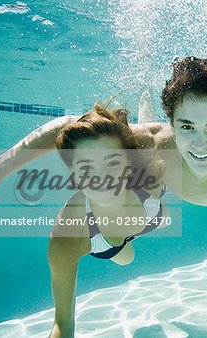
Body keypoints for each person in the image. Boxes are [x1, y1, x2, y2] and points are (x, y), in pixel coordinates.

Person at [0, 57, 207, 206]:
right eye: (186, 126)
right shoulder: (158, 145)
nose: (199, 142)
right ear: (172, 123)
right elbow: (68, 125)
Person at [47, 104, 166, 337]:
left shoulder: (151, 178)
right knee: (126, 259)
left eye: (112, 163)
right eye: (85, 167)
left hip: (148, 216)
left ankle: (144, 117)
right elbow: (63, 321)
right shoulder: (68, 236)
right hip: (108, 242)